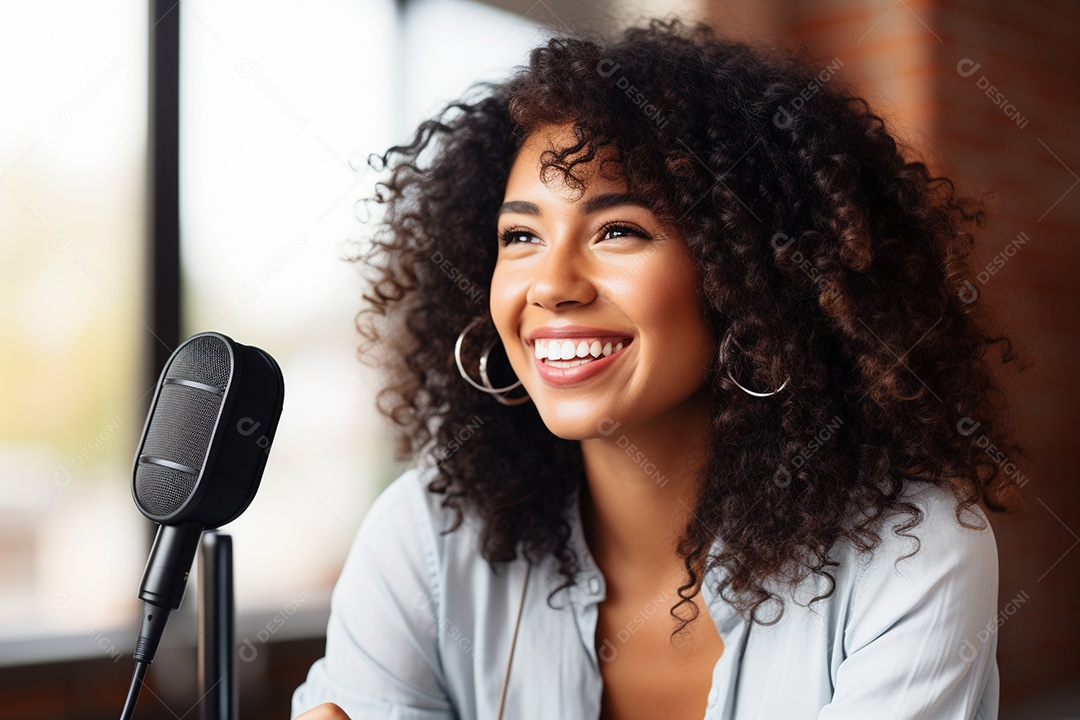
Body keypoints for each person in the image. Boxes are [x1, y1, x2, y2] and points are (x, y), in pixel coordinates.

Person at [291, 17, 1027, 720]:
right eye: (520, 236)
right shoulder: (423, 539)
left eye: (618, 230)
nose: (551, 285)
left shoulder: (909, 553)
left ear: (748, 280)